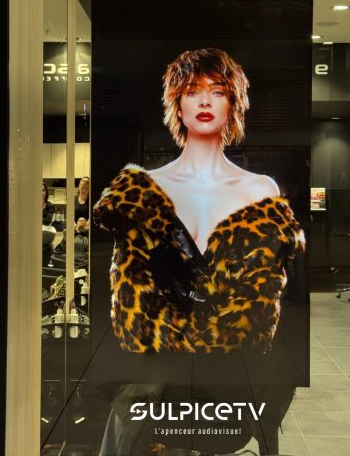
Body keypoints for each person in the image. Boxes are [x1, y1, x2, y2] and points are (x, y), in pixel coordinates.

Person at [94, 47, 305, 454]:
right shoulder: (140, 191)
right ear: (178, 103)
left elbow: (278, 302)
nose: (205, 101)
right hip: (152, 387)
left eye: (217, 91)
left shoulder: (259, 190)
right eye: (193, 91)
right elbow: (121, 304)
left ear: (233, 103)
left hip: (231, 384)